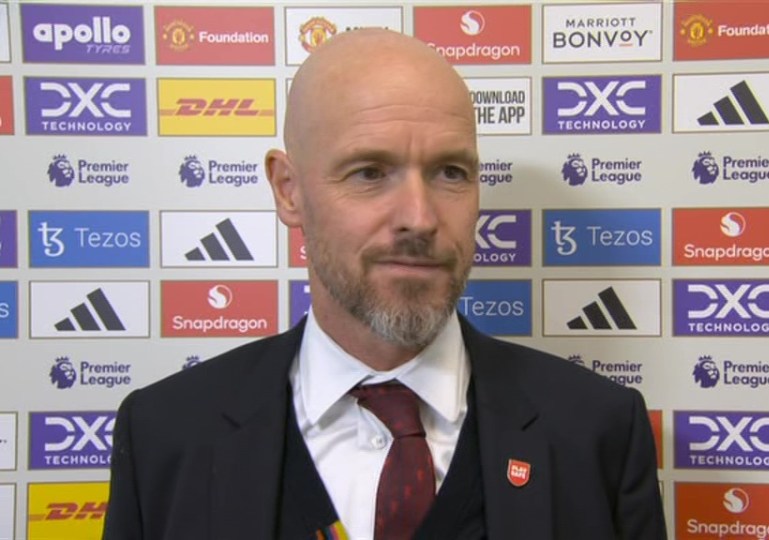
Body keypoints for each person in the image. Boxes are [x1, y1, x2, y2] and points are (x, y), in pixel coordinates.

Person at [103, 29, 665, 540]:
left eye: (451, 172)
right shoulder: (163, 436)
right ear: (288, 190)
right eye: (370, 172)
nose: (419, 218)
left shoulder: (599, 432)